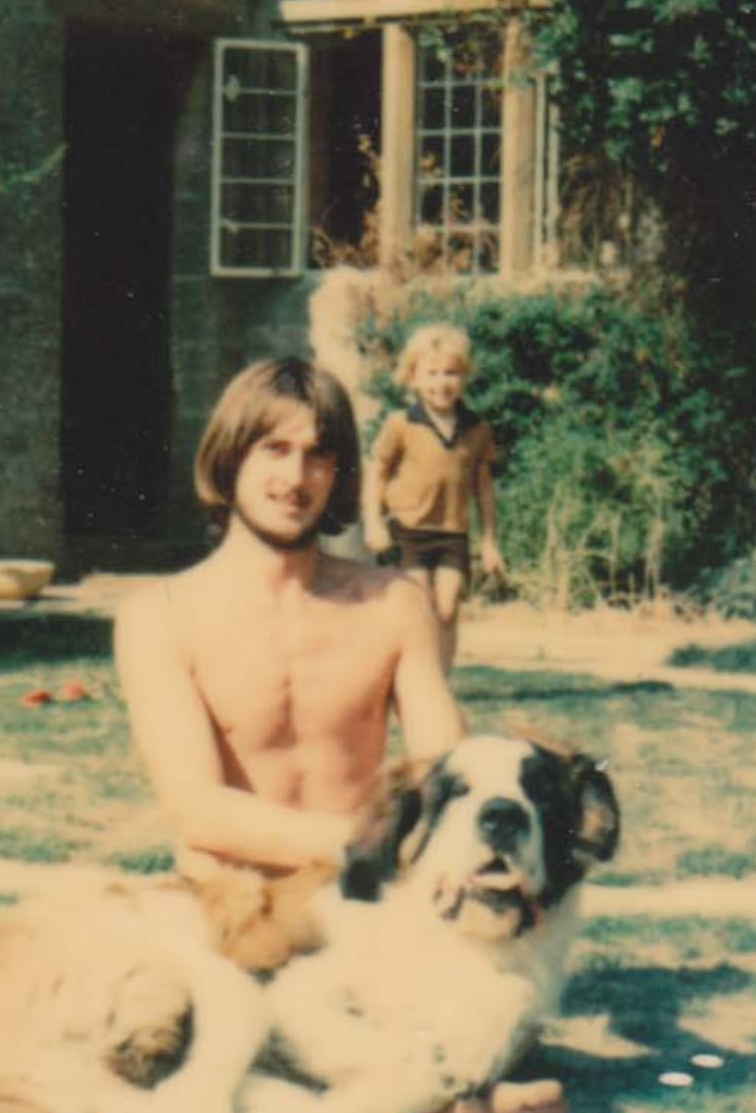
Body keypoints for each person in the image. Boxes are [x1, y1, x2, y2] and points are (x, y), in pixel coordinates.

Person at [117, 356, 468, 896]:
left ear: (339, 472)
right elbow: (198, 811)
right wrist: (373, 844)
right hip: (225, 908)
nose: (296, 478)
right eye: (275, 449)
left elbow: (448, 771)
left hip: (354, 901)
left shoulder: (395, 603)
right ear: (231, 457)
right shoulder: (158, 616)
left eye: (318, 454)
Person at [358, 321, 504, 658]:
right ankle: (413, 673)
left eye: (451, 373)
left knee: (448, 608)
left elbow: (484, 489)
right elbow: (376, 472)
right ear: (413, 378)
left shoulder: (477, 429)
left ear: (464, 376)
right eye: (432, 373)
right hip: (408, 529)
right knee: (418, 604)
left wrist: (489, 541)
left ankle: (440, 677)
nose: (442, 383)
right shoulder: (401, 424)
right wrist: (373, 522)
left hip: (453, 533)